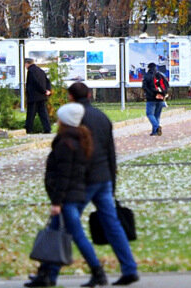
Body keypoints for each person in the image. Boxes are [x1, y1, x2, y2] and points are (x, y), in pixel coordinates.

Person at [37, 83, 139, 287]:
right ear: (90, 95)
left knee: (64, 224)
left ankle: (50, 273)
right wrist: (112, 180)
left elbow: (75, 157)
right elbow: (111, 151)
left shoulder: (74, 118)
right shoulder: (102, 117)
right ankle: (129, 267)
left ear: (70, 96)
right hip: (104, 178)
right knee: (112, 224)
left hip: (83, 181)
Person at [26, 104, 106, 288]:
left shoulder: (65, 144)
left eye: (60, 118)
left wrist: (56, 202)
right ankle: (46, 275)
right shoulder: (81, 139)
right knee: (54, 234)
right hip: (75, 194)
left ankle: (97, 272)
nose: (57, 120)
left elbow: (63, 175)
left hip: (67, 198)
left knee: (76, 235)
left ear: (66, 121)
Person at [25, 59, 52, 134]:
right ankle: (47, 129)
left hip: (34, 96)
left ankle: (28, 129)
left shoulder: (31, 71)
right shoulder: (41, 70)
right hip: (42, 96)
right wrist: (48, 90)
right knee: (43, 113)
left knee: (31, 114)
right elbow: (48, 81)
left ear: (27, 64)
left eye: (25, 65)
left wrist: (43, 90)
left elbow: (35, 82)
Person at [142, 63, 169, 136]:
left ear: (149, 68)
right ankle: (155, 132)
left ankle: (157, 127)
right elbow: (167, 85)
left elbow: (144, 87)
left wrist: (151, 94)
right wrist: (162, 94)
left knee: (149, 114)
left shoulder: (147, 76)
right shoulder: (161, 75)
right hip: (160, 98)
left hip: (151, 99)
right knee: (157, 115)